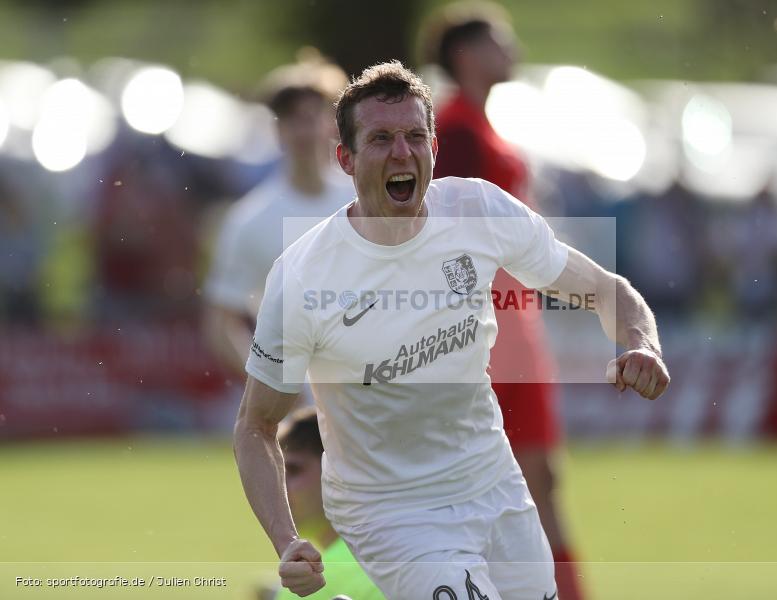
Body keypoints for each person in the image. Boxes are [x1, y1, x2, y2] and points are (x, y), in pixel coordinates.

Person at [234, 62, 669, 599]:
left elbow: (604, 288)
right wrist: (286, 541)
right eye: (381, 139)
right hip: (391, 512)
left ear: (434, 148)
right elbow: (255, 427)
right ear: (345, 158)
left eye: (415, 136)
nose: (402, 152)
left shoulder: (477, 209)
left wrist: (642, 344)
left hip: (495, 483)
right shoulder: (303, 275)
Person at [423, 4, 585, 597]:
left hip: (513, 322)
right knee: (517, 482)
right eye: (499, 41)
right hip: (488, 328)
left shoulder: (476, 124)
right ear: (466, 54)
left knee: (535, 479)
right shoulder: (456, 130)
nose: (512, 50)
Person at [204, 49, 354, 375]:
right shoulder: (250, 219)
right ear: (277, 129)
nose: (303, 130)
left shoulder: (365, 199)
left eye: (311, 116)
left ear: (331, 123)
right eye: (291, 119)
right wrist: (272, 386)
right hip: (301, 398)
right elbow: (222, 324)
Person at [262, 407, 384, 600]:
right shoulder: (400, 550)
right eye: (277, 472)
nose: (280, 486)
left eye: (294, 470)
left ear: (339, 472)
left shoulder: (309, 586)